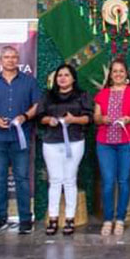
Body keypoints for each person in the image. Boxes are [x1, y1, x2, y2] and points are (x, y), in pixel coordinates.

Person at [0, 46, 41, 235]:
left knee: (22, 178)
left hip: (21, 138)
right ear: (0, 60)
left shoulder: (29, 82)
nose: (10, 60)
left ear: (18, 59)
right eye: (6, 57)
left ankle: (25, 219)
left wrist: (25, 116)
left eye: (14, 57)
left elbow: (37, 105)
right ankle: (0, 218)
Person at [36, 64, 92, 236]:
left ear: (73, 78)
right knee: (54, 180)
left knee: (69, 180)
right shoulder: (47, 95)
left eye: (66, 75)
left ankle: (69, 218)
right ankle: (53, 219)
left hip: (74, 142)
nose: (62, 78)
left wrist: (73, 119)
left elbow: (89, 118)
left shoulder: (82, 95)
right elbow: (39, 117)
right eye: (59, 75)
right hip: (51, 142)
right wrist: (49, 120)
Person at [94, 58, 130, 236]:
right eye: (114, 71)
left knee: (123, 180)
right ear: (110, 74)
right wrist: (102, 119)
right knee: (108, 181)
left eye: (121, 71)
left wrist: (129, 119)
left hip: (127, 141)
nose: (118, 74)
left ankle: (120, 219)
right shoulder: (102, 94)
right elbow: (96, 118)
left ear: (126, 74)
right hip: (105, 143)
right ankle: (108, 219)